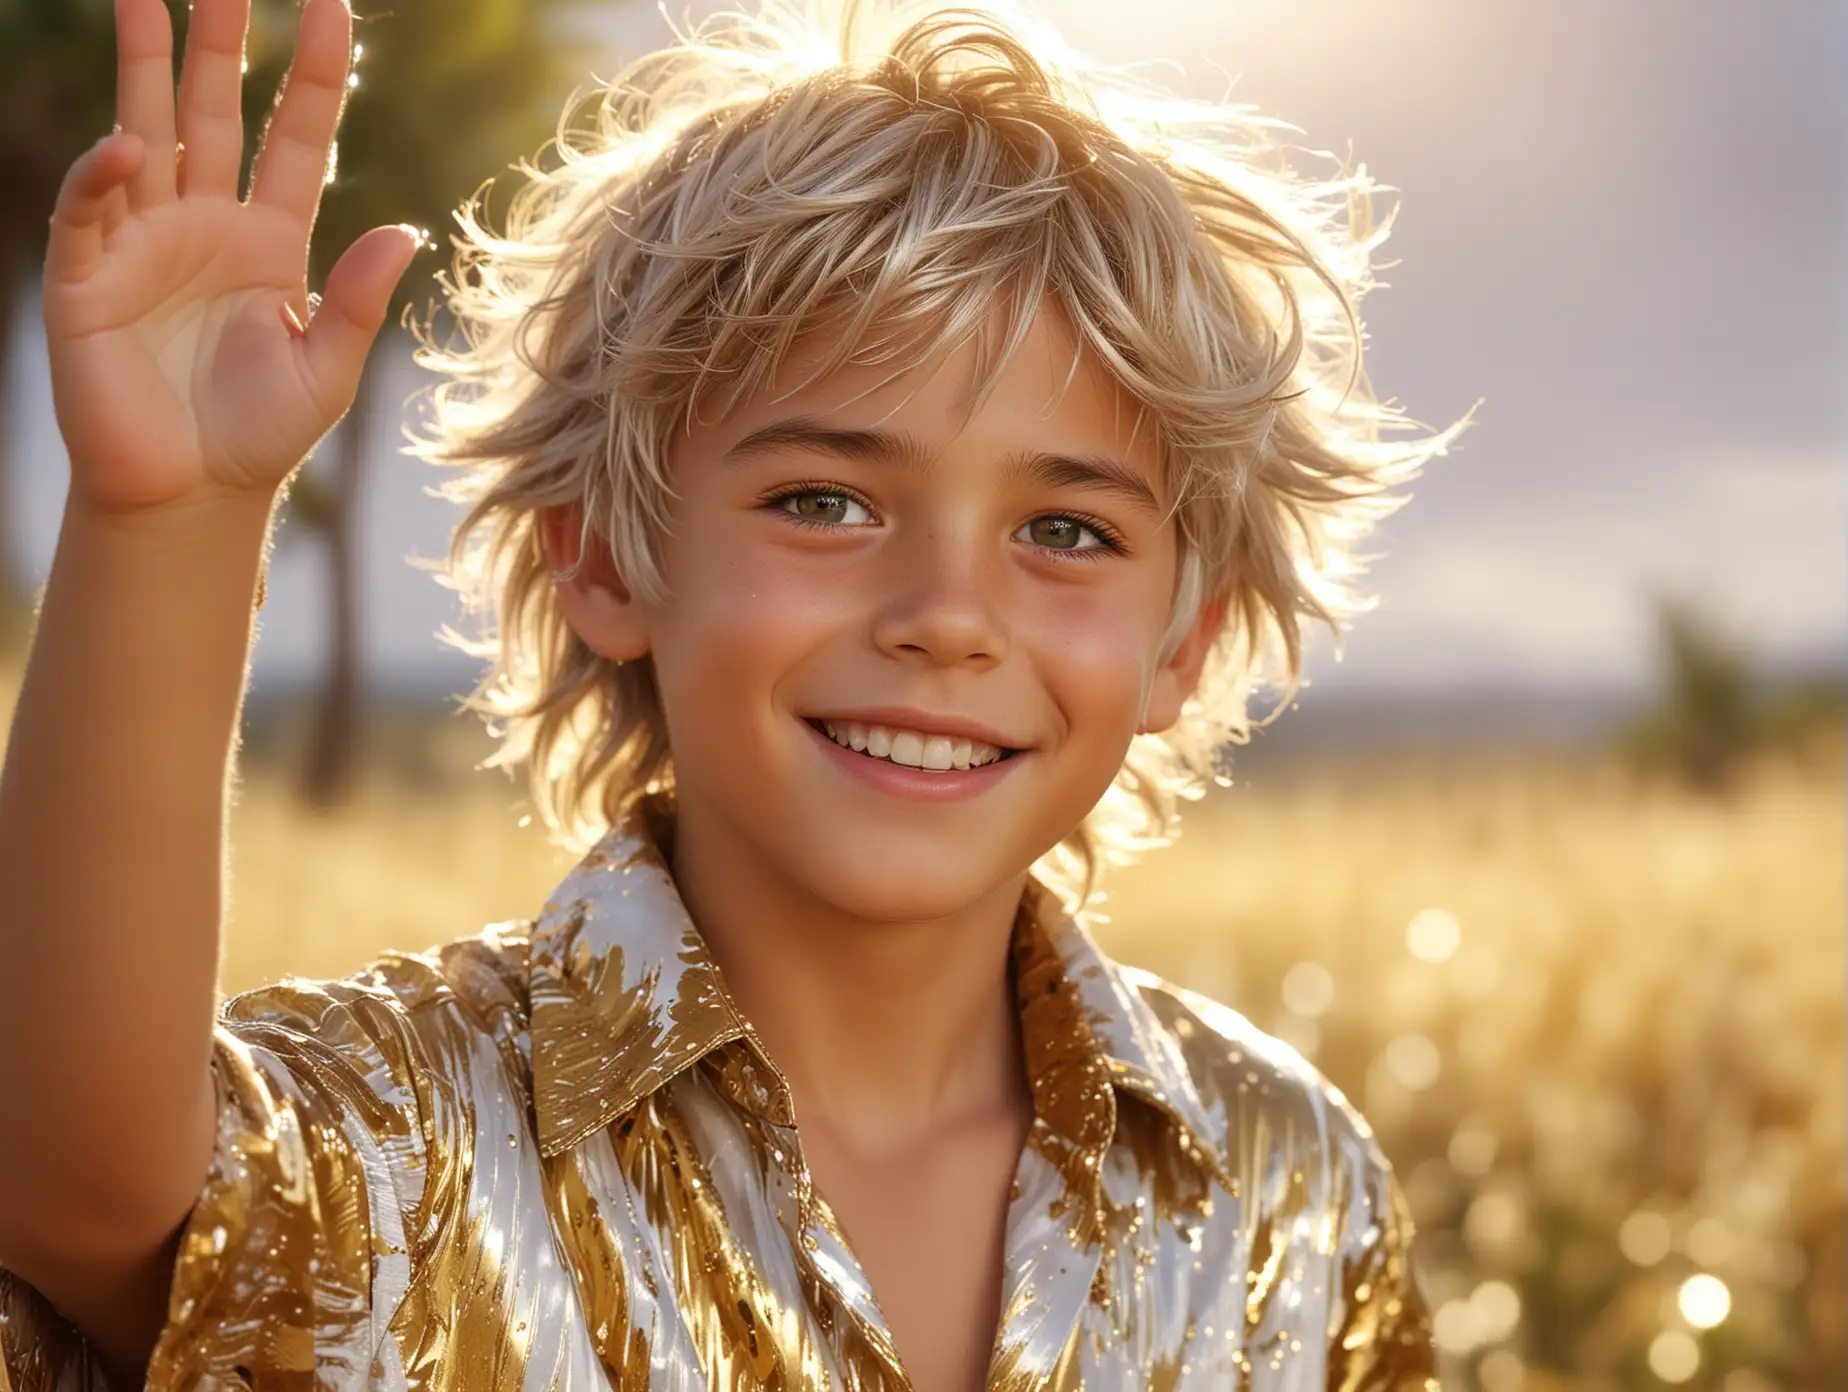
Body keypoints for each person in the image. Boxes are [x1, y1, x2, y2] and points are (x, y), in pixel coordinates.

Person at [0, 0, 1471, 1385]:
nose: (948, 618)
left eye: (1068, 532)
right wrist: (170, 520)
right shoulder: (401, 1144)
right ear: (605, 557)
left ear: (1184, 643)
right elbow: (82, 1185)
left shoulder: (1294, 1185)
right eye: (826, 502)